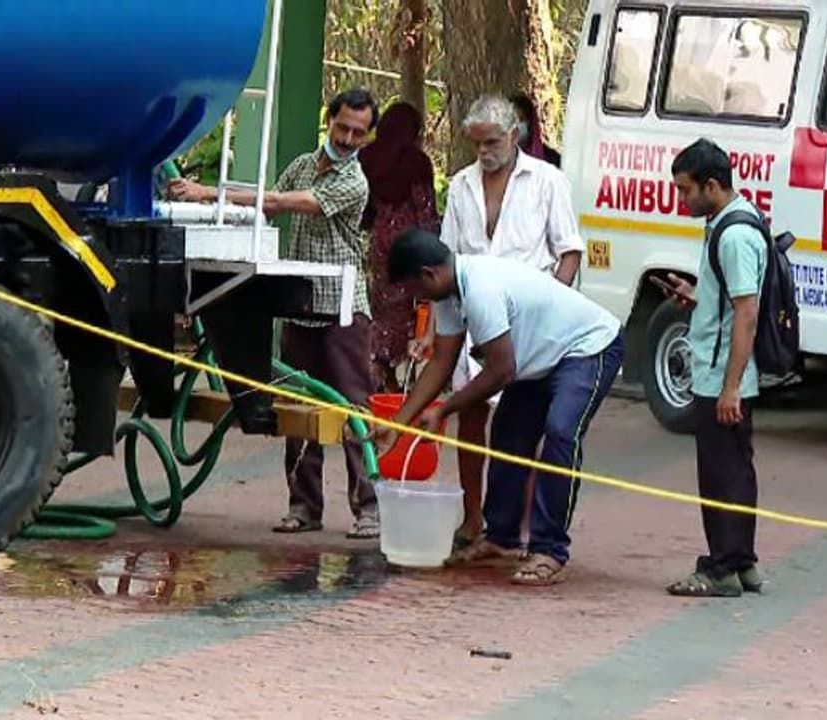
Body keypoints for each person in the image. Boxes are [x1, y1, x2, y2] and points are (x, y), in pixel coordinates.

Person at [169, 88, 383, 540]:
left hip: (342, 308)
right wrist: (217, 206)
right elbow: (270, 197)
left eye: (358, 133)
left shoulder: (354, 181)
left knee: (353, 409)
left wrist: (210, 192)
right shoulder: (304, 164)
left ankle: (369, 508)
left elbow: (288, 203)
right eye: (342, 128)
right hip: (300, 304)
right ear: (329, 121)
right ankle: (304, 506)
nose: (347, 138)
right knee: (295, 409)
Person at [376, 229, 624, 586]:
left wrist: (443, 410)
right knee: (509, 431)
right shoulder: (449, 292)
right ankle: (502, 538)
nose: (418, 299)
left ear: (429, 274)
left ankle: (550, 549)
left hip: (589, 347)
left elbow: (500, 371)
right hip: (540, 358)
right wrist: (399, 422)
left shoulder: (480, 289)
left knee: (561, 431)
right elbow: (442, 362)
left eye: (416, 290)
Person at [414, 94, 584, 550]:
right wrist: (430, 332)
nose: (484, 152)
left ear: (514, 135)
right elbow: (444, 261)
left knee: (524, 426)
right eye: (477, 144)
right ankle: (473, 519)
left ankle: (516, 522)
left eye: (491, 141)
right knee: (471, 417)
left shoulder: (547, 180)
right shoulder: (462, 186)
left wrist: (555, 308)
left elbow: (569, 250)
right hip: (474, 319)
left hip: (531, 327)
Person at [659, 139, 766, 598]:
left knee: (720, 473)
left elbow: (746, 312)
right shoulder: (727, 223)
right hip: (723, 371)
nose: (683, 200)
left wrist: (729, 387)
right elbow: (728, 304)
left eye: (686, 191)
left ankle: (721, 567)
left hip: (719, 376)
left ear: (712, 185)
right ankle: (741, 562)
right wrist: (697, 294)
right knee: (735, 469)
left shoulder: (735, 234)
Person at [358, 101, 440, 392]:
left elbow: (363, 211)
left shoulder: (367, 157)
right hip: (411, 248)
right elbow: (425, 210)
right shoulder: (416, 163)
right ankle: (395, 375)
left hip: (380, 245)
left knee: (381, 312)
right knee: (408, 313)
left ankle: (377, 367)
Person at [509, 92, 562, 168]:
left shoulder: (551, 160)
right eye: (511, 121)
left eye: (520, 120)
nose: (514, 126)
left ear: (530, 122)